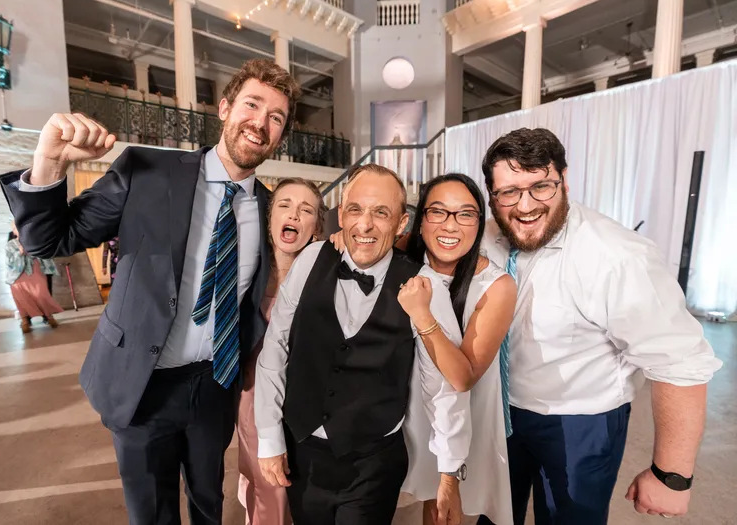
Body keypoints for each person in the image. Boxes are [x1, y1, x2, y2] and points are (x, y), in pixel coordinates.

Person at [0, 58, 302, 525]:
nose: (260, 123)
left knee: (208, 504)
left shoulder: (267, 208)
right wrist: (49, 161)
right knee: (152, 514)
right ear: (225, 108)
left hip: (214, 387)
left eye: (275, 117)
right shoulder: (148, 170)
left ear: (280, 135)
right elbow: (48, 240)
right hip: (142, 383)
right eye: (252, 105)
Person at [474, 128, 722, 524]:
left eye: (541, 187)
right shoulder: (488, 236)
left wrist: (671, 476)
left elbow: (680, 362)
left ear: (564, 180)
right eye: (509, 192)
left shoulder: (617, 256)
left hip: (578, 424)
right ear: (492, 195)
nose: (525, 205)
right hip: (499, 410)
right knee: (494, 513)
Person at [254, 164, 472, 525]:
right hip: (302, 452)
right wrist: (269, 436)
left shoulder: (423, 285)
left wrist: (449, 472)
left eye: (381, 212)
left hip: (373, 465)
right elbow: (275, 349)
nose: (365, 225)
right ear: (341, 215)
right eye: (355, 209)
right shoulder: (311, 259)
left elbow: (443, 388)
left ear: (401, 223)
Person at [395, 173, 517, 525]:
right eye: (438, 211)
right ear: (420, 220)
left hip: (466, 411)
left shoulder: (496, 285)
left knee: (446, 510)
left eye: (465, 214)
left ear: (479, 224)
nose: (450, 225)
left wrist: (422, 315)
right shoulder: (404, 252)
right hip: (409, 402)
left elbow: (463, 378)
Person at [236, 178, 327, 525]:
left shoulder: (323, 277)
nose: (294, 214)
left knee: (302, 490)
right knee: (268, 489)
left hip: (306, 402)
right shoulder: (246, 271)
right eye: (285, 205)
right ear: (270, 217)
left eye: (306, 210)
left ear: (316, 229)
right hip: (252, 398)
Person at [5, 223, 63, 333]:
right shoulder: (10, 244)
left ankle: (49, 316)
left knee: (41, 294)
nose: (18, 230)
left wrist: (31, 251)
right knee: (21, 296)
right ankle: (25, 320)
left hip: (36, 268)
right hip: (18, 273)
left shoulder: (35, 239)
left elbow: (44, 252)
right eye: (15, 228)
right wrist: (20, 253)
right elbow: (9, 261)